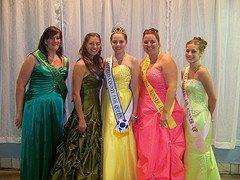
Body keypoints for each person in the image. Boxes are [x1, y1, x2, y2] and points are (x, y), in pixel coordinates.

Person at [15, 26, 69, 180]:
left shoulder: (65, 61)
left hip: (55, 110)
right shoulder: (34, 58)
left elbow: (61, 87)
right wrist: (19, 112)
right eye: (51, 37)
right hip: (36, 109)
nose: (55, 41)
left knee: (53, 145)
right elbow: (20, 84)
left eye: (58, 37)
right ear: (45, 40)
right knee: (36, 145)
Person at [49, 33, 103, 179]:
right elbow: (75, 93)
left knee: (92, 147)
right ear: (85, 45)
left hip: (96, 111)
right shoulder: (81, 65)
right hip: (84, 111)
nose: (94, 47)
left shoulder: (98, 63)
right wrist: (81, 119)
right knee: (78, 147)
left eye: (97, 44)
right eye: (91, 44)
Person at [133, 28, 185, 180]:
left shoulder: (166, 60)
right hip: (146, 112)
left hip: (162, 111)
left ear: (159, 43)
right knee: (147, 148)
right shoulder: (143, 62)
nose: (149, 44)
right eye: (146, 42)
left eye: (152, 41)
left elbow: (172, 87)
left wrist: (166, 112)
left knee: (163, 147)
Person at [101, 25, 139, 180]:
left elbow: (136, 88)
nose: (118, 45)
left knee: (124, 136)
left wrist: (134, 112)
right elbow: (104, 86)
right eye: (115, 42)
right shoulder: (106, 61)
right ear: (111, 43)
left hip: (126, 103)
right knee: (110, 136)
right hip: (109, 103)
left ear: (126, 42)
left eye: (121, 41)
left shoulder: (133, 60)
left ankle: (125, 174)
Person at [181, 37, 220, 180]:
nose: (190, 54)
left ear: (201, 53)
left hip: (201, 118)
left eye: (194, 51)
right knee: (190, 150)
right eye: (187, 51)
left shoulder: (203, 72)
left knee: (200, 150)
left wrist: (208, 115)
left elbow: (213, 98)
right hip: (187, 117)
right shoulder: (183, 71)